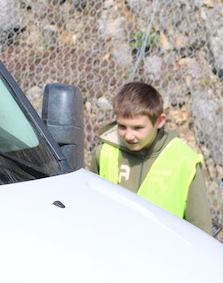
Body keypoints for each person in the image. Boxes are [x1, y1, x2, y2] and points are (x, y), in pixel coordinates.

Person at [90, 81, 213, 234]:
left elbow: (201, 228)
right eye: (122, 126)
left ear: (159, 121)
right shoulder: (104, 153)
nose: (129, 135)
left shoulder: (185, 161)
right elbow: (89, 206)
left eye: (138, 128)